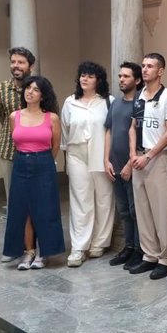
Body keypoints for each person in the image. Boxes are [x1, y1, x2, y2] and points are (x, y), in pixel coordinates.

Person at [3, 76, 65, 269]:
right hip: (21, 162)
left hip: (44, 163)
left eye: (35, 89)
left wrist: (43, 160)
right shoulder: (15, 116)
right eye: (28, 88)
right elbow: (17, 141)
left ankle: (44, 253)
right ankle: (28, 251)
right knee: (22, 210)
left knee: (45, 208)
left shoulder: (51, 118)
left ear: (42, 95)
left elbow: (55, 146)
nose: (30, 91)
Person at [128, 53, 167, 280]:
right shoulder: (139, 96)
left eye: (150, 66)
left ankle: (165, 259)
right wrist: (132, 155)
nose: (145, 69)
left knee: (161, 211)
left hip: (156, 159)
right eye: (143, 65)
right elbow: (132, 127)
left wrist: (148, 156)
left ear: (160, 71)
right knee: (143, 210)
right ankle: (149, 255)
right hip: (137, 158)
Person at [61, 62, 115, 267]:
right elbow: (65, 132)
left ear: (98, 80)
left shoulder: (108, 101)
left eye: (90, 76)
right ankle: (78, 247)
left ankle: (99, 242)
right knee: (80, 200)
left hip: (101, 154)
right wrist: (66, 159)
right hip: (76, 154)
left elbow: (112, 129)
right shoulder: (70, 102)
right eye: (82, 75)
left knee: (103, 198)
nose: (85, 79)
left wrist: (109, 158)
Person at [0, 46, 34, 261]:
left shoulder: (37, 88)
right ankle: (14, 247)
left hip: (34, 152)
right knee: (14, 202)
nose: (16, 66)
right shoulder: (0, 89)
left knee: (34, 201)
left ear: (30, 66)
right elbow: (1, 117)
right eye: (13, 62)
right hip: (9, 151)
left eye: (21, 62)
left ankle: (33, 246)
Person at [104, 62, 143, 269]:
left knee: (136, 210)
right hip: (115, 166)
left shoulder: (140, 104)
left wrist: (130, 164)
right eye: (120, 76)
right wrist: (106, 160)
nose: (121, 80)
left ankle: (139, 249)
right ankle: (128, 247)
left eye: (126, 76)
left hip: (133, 167)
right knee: (124, 211)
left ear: (137, 81)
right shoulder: (115, 104)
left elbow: (140, 138)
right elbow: (109, 131)